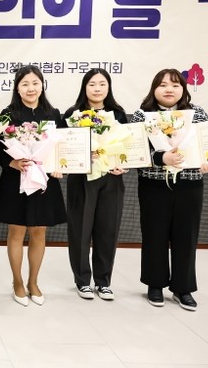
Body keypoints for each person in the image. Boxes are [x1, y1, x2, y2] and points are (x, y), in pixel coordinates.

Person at [130, 69, 208, 311]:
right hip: (154, 183)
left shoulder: (197, 113)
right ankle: (155, 284)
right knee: (154, 234)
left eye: (175, 85)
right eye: (163, 85)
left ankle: (182, 288)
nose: (169, 89)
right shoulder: (142, 115)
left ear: (183, 90)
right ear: (154, 88)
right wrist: (161, 157)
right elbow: (135, 151)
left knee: (186, 235)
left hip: (189, 183)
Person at [0, 65, 66, 307]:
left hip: (44, 181)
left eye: (35, 83)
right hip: (16, 180)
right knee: (16, 232)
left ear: (42, 85)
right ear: (17, 88)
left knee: (39, 232)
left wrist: (59, 165)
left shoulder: (53, 114)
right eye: (25, 84)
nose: (30, 88)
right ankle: (17, 282)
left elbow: (62, 147)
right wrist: (11, 162)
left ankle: (34, 282)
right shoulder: (7, 114)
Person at [63, 69, 128, 301]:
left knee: (108, 230)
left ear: (109, 87)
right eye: (92, 84)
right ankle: (82, 281)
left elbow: (128, 145)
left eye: (102, 84)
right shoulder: (73, 114)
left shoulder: (118, 114)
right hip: (82, 179)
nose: (97, 89)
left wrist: (124, 165)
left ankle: (103, 282)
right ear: (84, 87)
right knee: (80, 230)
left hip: (111, 178)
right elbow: (63, 146)